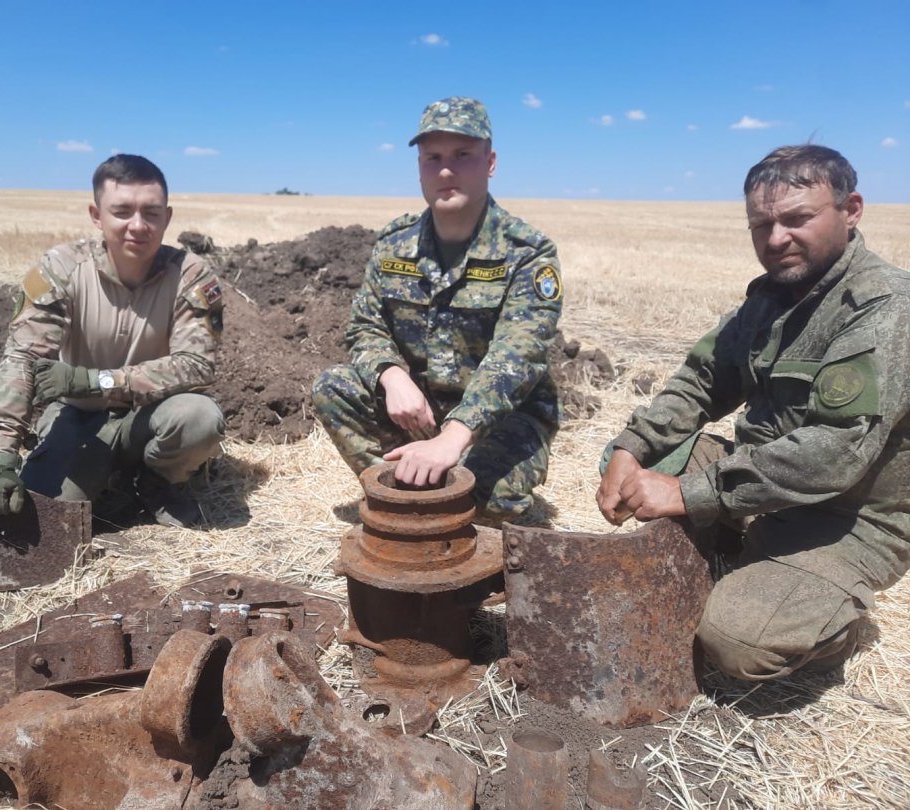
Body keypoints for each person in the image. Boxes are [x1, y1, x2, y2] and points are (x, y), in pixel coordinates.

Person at [596, 145, 910, 680]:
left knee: (737, 642)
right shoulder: (772, 296)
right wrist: (632, 448)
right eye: (761, 224)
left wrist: (690, 493)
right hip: (766, 486)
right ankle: (738, 557)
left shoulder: (885, 309)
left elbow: (833, 453)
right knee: (643, 456)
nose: (776, 238)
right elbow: (701, 382)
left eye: (797, 219)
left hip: (850, 518)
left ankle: (834, 621)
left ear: (851, 210)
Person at [312, 97, 563, 520]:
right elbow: (364, 326)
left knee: (493, 497)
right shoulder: (395, 243)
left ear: (490, 161)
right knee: (333, 387)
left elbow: (518, 357)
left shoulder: (528, 253)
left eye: (462, 155)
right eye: (433, 158)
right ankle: (399, 495)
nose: (445, 170)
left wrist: (453, 438)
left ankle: (443, 490)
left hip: (495, 420)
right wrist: (392, 378)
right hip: (420, 410)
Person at [0, 154, 226, 528]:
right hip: (79, 416)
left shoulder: (191, 275)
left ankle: (157, 481)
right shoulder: (62, 269)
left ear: (167, 217)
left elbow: (196, 364)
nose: (138, 226)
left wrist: (100, 380)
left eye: (151, 213)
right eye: (122, 212)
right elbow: (22, 357)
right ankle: (92, 469)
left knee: (199, 417)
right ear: (96, 215)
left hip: (151, 417)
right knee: (49, 514)